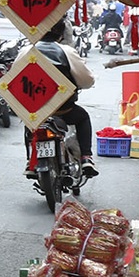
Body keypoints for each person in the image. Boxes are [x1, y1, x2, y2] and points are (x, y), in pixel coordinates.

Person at [36, 20, 97, 173]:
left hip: (36, 111)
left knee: (28, 126)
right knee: (83, 117)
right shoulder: (67, 51)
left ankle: (31, 162)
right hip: (64, 109)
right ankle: (86, 157)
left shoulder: (27, 50)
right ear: (61, 34)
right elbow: (87, 80)